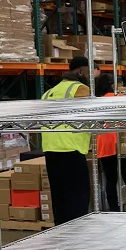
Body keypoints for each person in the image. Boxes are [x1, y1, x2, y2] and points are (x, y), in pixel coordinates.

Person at [41, 55, 92, 225]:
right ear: (80, 71)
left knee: (60, 200)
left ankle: (61, 234)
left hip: (51, 151)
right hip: (72, 150)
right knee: (78, 201)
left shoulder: (48, 93)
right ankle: (76, 236)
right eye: (88, 71)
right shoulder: (80, 89)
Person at [94, 73, 126, 212]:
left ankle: (114, 208)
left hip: (105, 145)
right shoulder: (122, 99)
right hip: (123, 143)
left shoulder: (96, 103)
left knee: (111, 180)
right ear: (112, 85)